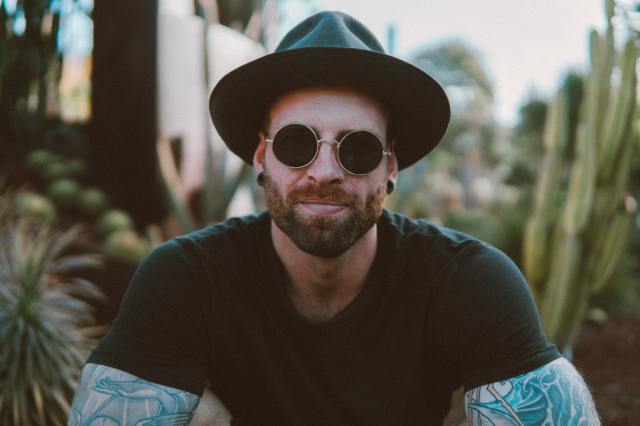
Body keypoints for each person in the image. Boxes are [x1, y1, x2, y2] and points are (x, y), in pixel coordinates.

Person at [70, 11, 599, 425]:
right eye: (297, 143)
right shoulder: (186, 278)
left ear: (390, 168)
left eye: (359, 149)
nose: (325, 171)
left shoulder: (466, 281)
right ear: (261, 158)